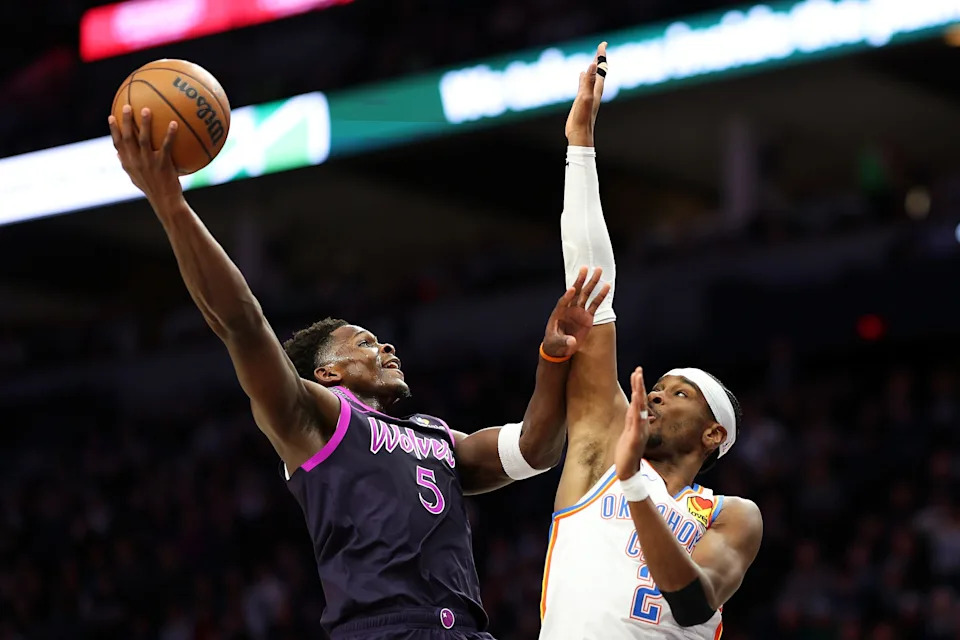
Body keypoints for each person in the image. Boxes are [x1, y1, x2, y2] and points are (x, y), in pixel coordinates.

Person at [107, 105, 610, 639]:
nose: (386, 345)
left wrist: (554, 358)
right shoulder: (316, 419)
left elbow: (536, 451)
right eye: (365, 343)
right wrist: (171, 205)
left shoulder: (436, 437)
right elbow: (241, 323)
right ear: (327, 373)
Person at [538, 44, 764, 639]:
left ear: (713, 434)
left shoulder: (732, 515)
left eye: (680, 393)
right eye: (658, 388)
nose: (658, 395)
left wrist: (634, 481)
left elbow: (694, 603)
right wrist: (580, 145)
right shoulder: (598, 454)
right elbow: (592, 289)